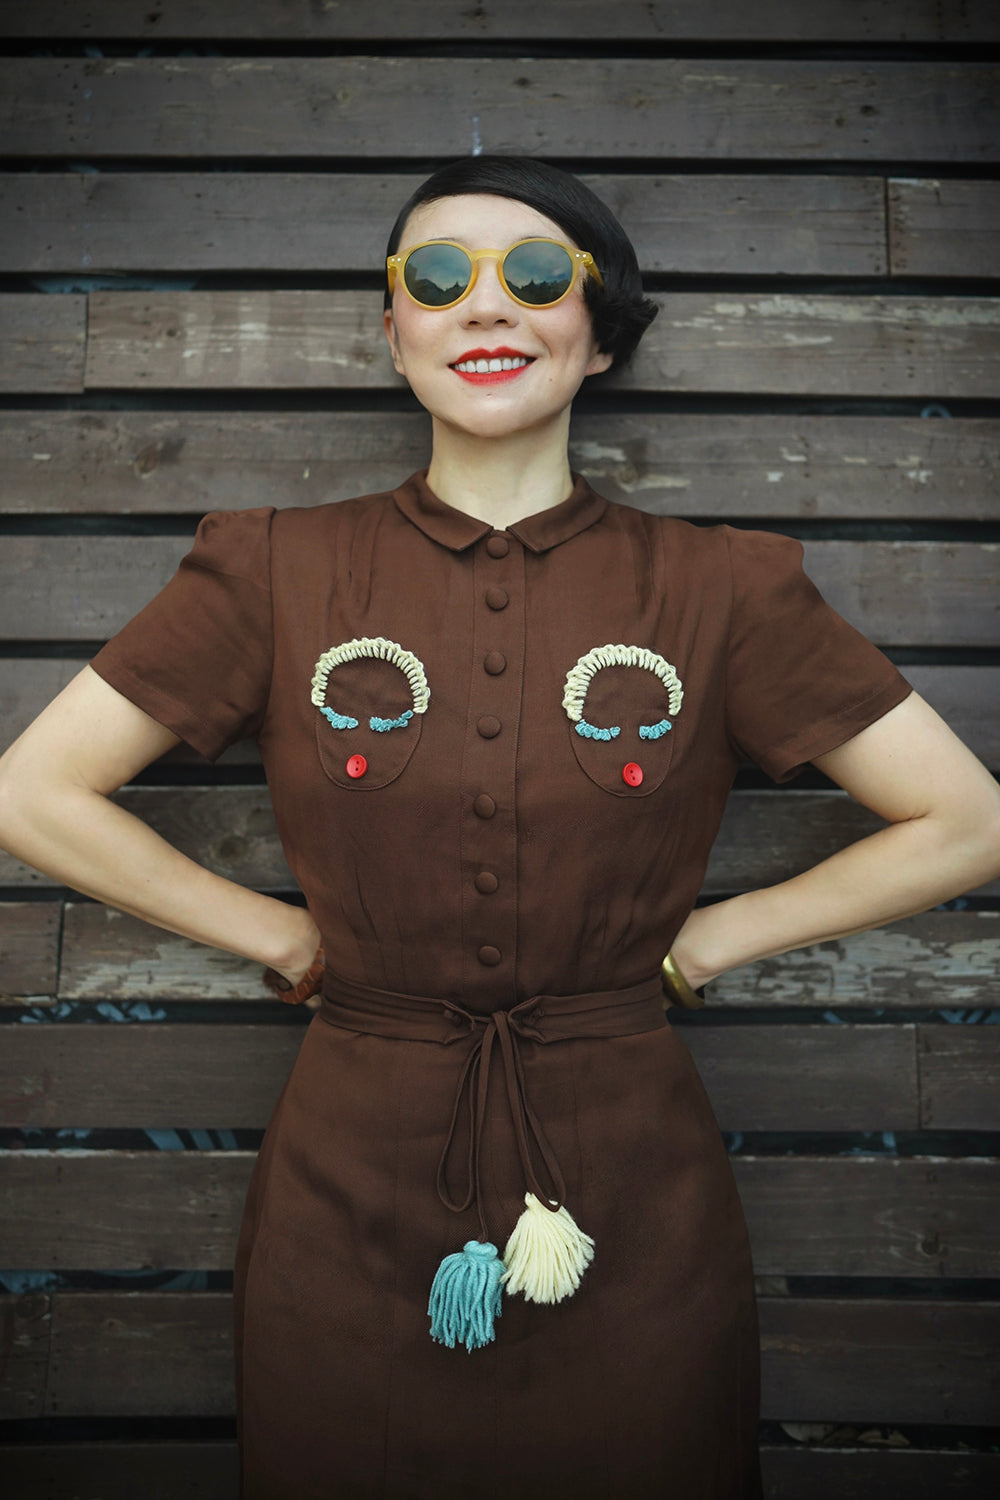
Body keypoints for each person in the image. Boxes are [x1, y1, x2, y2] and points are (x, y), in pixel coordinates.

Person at [1, 155, 998, 1500]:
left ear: (598, 336)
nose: (487, 307)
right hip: (348, 1171)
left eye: (536, 276)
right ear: (392, 329)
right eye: (437, 276)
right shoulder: (270, 569)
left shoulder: (725, 589)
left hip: (631, 1179)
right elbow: (30, 791)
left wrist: (707, 944)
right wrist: (280, 940)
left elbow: (966, 819)